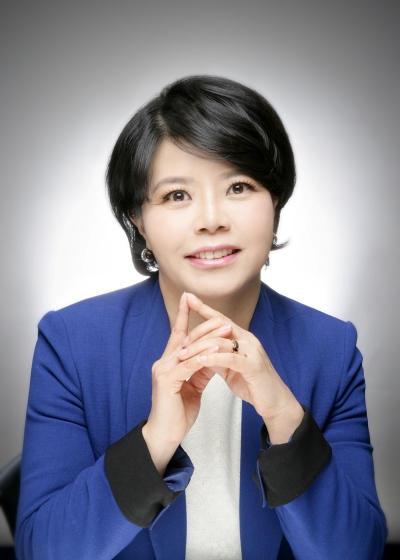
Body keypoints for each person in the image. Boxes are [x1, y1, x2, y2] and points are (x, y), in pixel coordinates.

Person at [15, 76, 387, 560]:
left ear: (275, 203)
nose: (211, 219)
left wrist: (284, 417)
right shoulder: (73, 344)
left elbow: (356, 551)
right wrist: (155, 441)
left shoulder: (330, 349)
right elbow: (42, 550)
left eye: (239, 186)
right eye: (176, 195)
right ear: (138, 220)